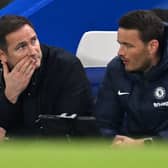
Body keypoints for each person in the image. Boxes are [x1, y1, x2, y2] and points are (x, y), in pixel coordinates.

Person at [0, 15, 93, 140]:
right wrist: (10, 96)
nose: (33, 51)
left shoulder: (66, 66)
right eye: (21, 47)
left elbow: (66, 130)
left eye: (33, 41)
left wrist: (12, 140)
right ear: (2, 55)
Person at [96, 10, 168, 146]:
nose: (120, 52)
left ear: (152, 46)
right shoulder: (116, 69)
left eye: (128, 46)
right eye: (120, 44)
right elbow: (103, 123)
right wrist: (113, 141)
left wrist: (146, 145)